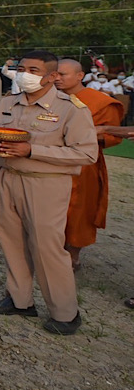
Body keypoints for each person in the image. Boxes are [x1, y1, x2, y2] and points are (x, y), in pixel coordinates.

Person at [0, 51, 97, 336]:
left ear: (52, 76)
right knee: (11, 240)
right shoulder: (8, 102)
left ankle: (65, 313)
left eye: (33, 70)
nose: (25, 75)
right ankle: (20, 300)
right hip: (8, 177)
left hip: (46, 183)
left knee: (47, 247)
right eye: (22, 69)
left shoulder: (71, 108)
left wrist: (32, 150)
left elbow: (86, 153)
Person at [53, 59, 123, 271]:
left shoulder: (100, 102)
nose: (57, 78)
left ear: (79, 76)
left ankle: (72, 256)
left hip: (83, 164)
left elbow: (113, 136)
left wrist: (80, 135)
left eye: (62, 74)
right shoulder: (49, 97)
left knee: (79, 210)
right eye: (54, 74)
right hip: (50, 159)